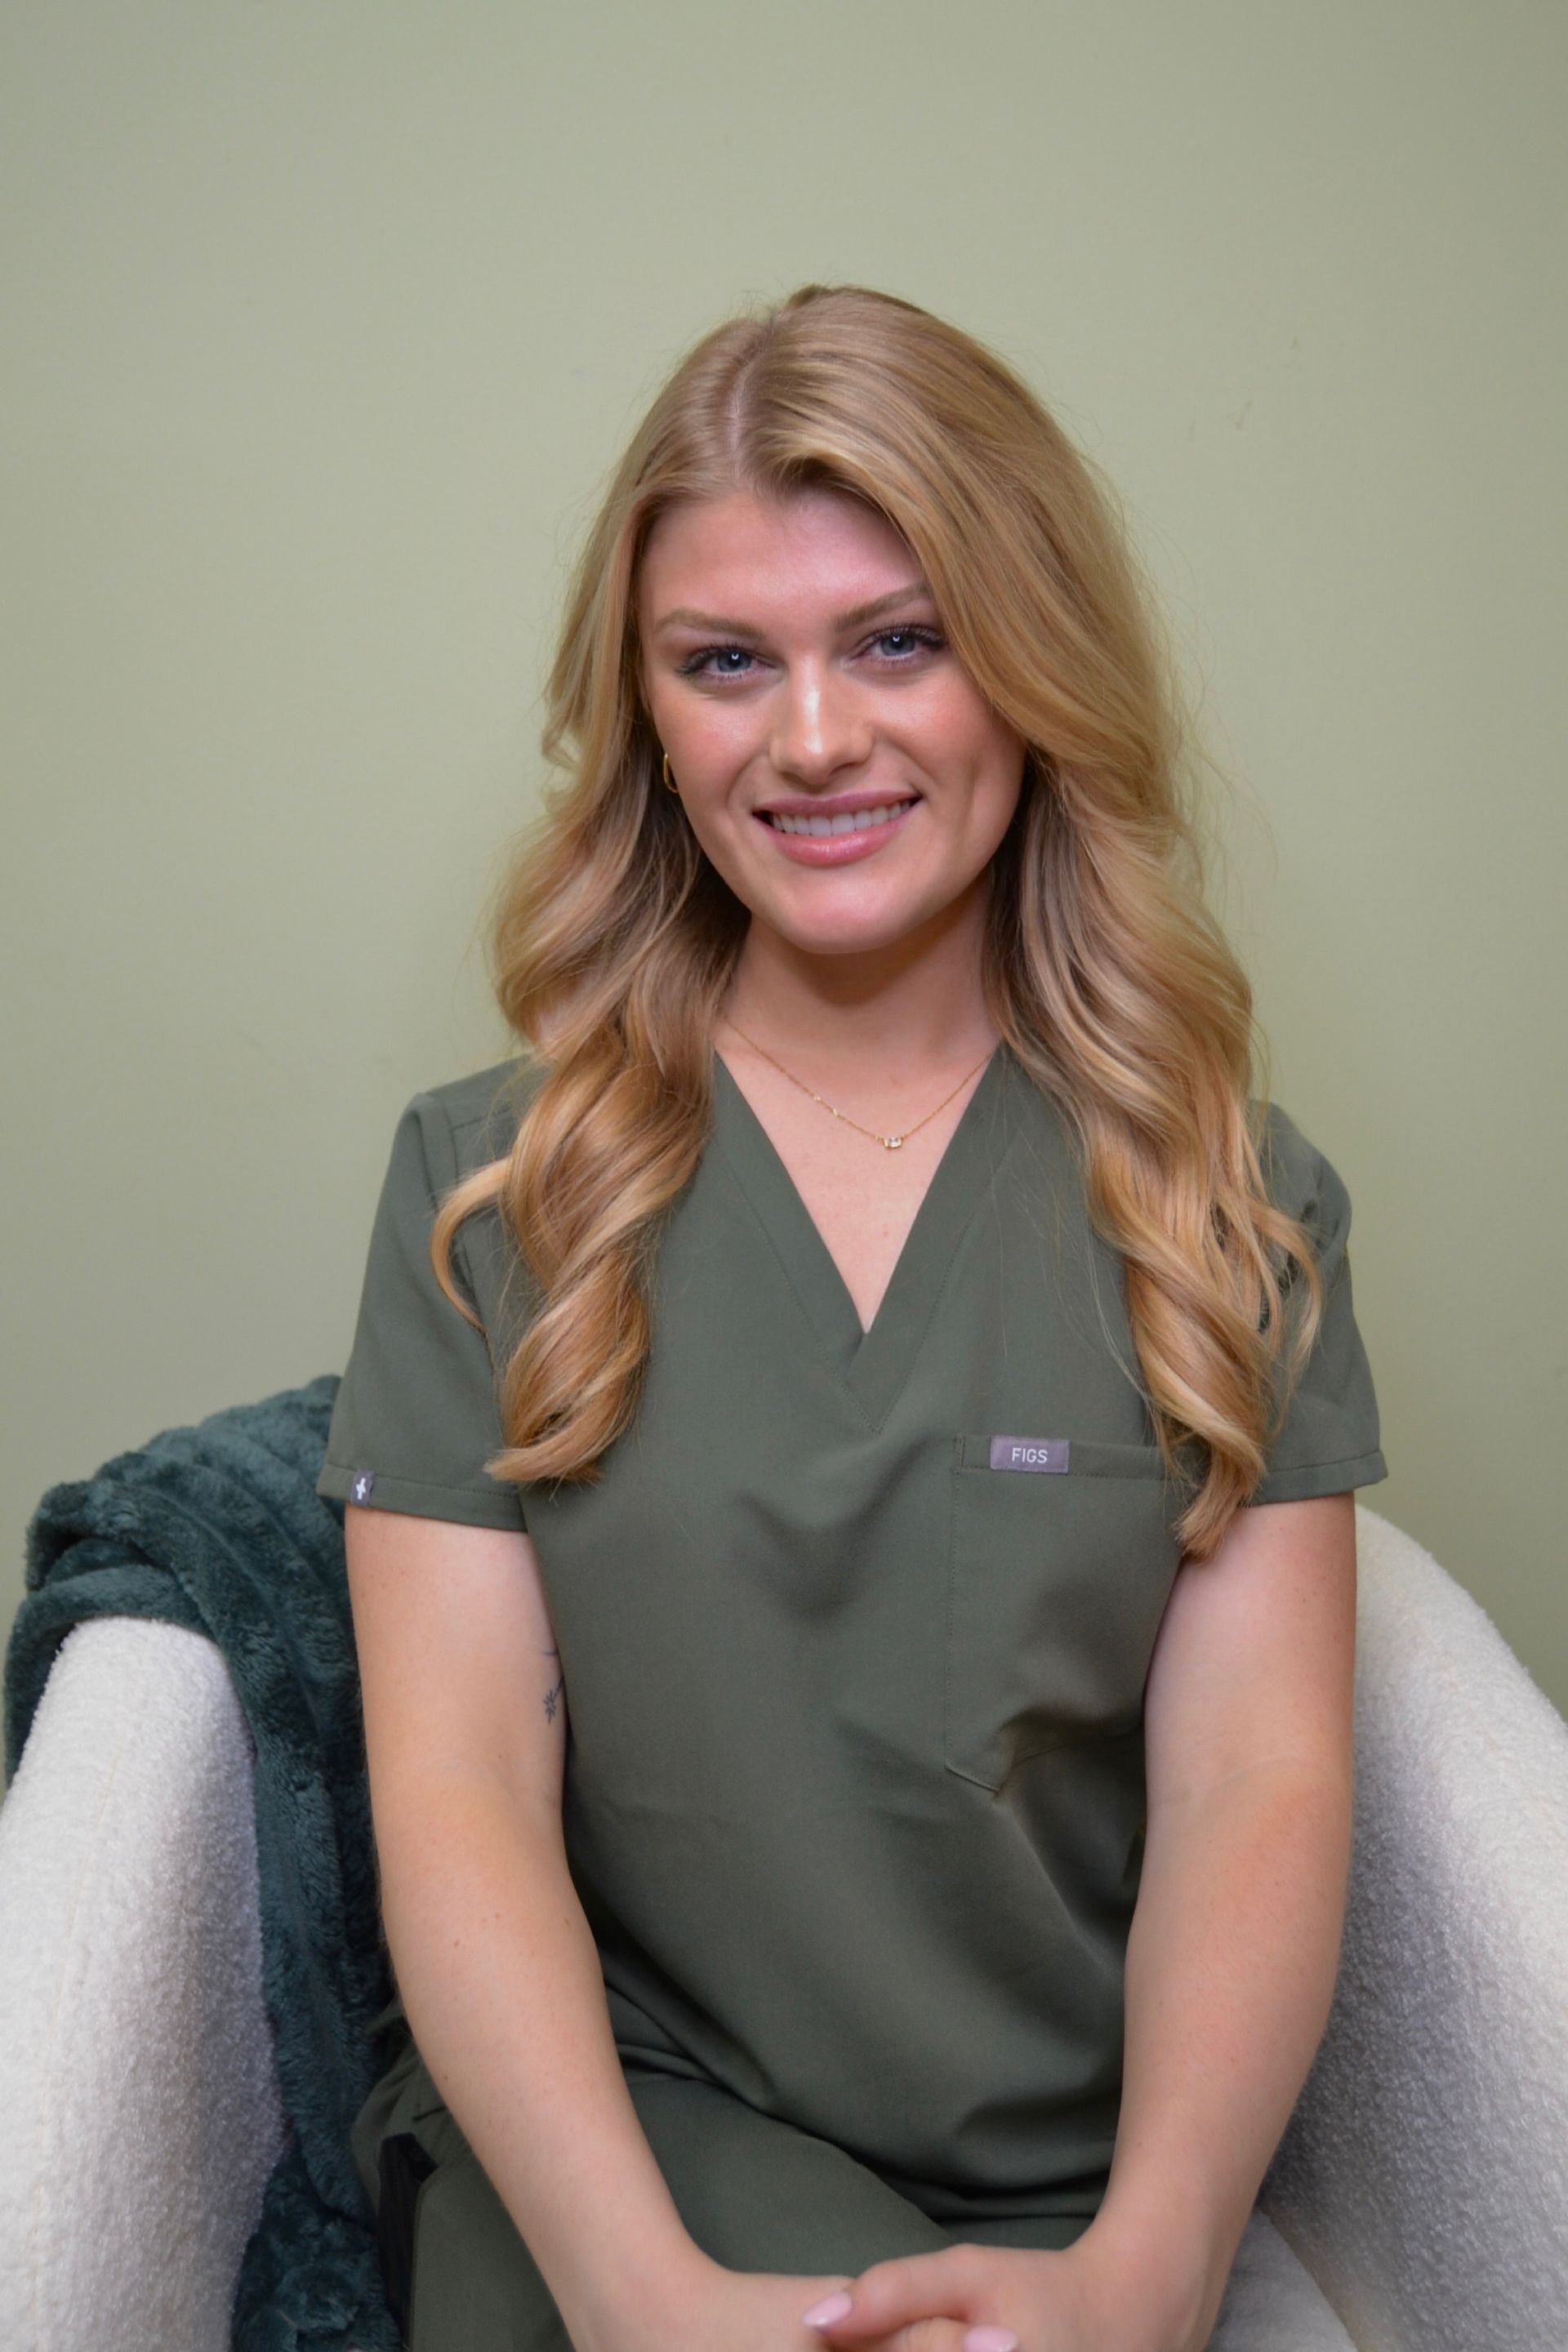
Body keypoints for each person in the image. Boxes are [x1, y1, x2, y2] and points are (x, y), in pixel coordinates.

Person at [318, 283, 1387, 2352]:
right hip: (631, 2144)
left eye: (898, 640)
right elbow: (450, 1779)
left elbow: (1265, 1773)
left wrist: (1154, 2269)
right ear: (647, 715)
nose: (812, 740)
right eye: (726, 664)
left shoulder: (1228, 1207)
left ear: (1031, 663)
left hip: (1080, 2178)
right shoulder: (493, 1196)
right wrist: (643, 2298)